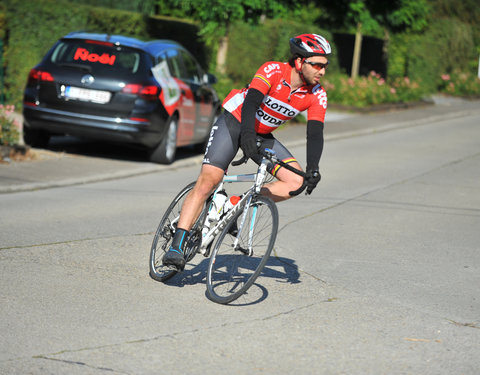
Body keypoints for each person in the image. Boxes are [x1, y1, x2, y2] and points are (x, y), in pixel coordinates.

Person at [163, 33, 331, 270]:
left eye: (325, 66)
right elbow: (251, 102)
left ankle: (233, 204)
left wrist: (314, 168)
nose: (322, 71)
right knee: (209, 180)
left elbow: (314, 133)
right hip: (234, 122)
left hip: (261, 135)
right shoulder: (273, 70)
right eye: (317, 64)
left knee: (295, 182)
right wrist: (247, 136)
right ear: (299, 61)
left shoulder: (317, 95)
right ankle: (176, 246)